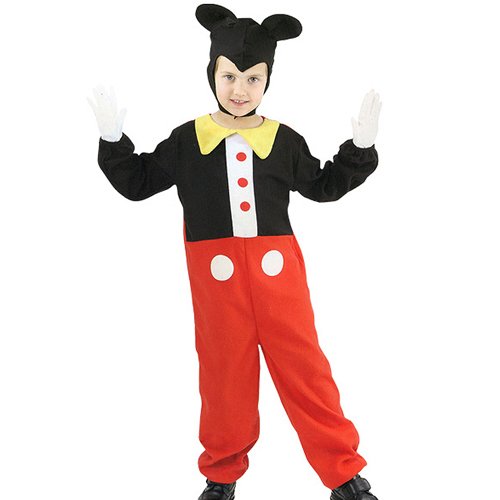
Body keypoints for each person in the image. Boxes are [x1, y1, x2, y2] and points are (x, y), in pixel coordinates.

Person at [88, 4, 382, 500]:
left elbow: (323, 186)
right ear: (212, 73)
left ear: (267, 80)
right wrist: (112, 140)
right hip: (216, 281)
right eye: (229, 76)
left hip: (279, 278)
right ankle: (221, 476)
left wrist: (359, 149)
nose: (240, 90)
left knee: (306, 372)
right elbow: (138, 183)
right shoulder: (188, 140)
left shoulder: (283, 140)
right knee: (224, 377)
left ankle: (343, 474)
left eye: (252, 78)